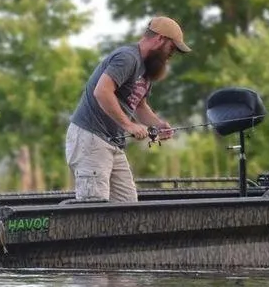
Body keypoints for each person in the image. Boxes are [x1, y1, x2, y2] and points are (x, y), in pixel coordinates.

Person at [65, 15, 191, 202]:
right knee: (93, 210)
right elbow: (102, 91)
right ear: (159, 39)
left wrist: (158, 124)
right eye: (171, 48)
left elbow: (139, 105)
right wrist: (129, 125)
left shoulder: (147, 68)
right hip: (90, 138)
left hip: (112, 142)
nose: (171, 54)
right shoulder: (127, 58)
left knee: (127, 205)